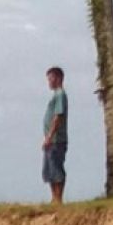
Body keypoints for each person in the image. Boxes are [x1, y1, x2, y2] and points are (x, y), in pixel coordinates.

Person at [42, 67, 68, 205]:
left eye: (51, 78)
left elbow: (58, 117)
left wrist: (50, 136)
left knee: (56, 168)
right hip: (51, 140)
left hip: (57, 139)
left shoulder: (60, 95)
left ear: (58, 78)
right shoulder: (56, 95)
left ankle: (58, 198)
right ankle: (54, 198)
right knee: (49, 169)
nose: (49, 82)